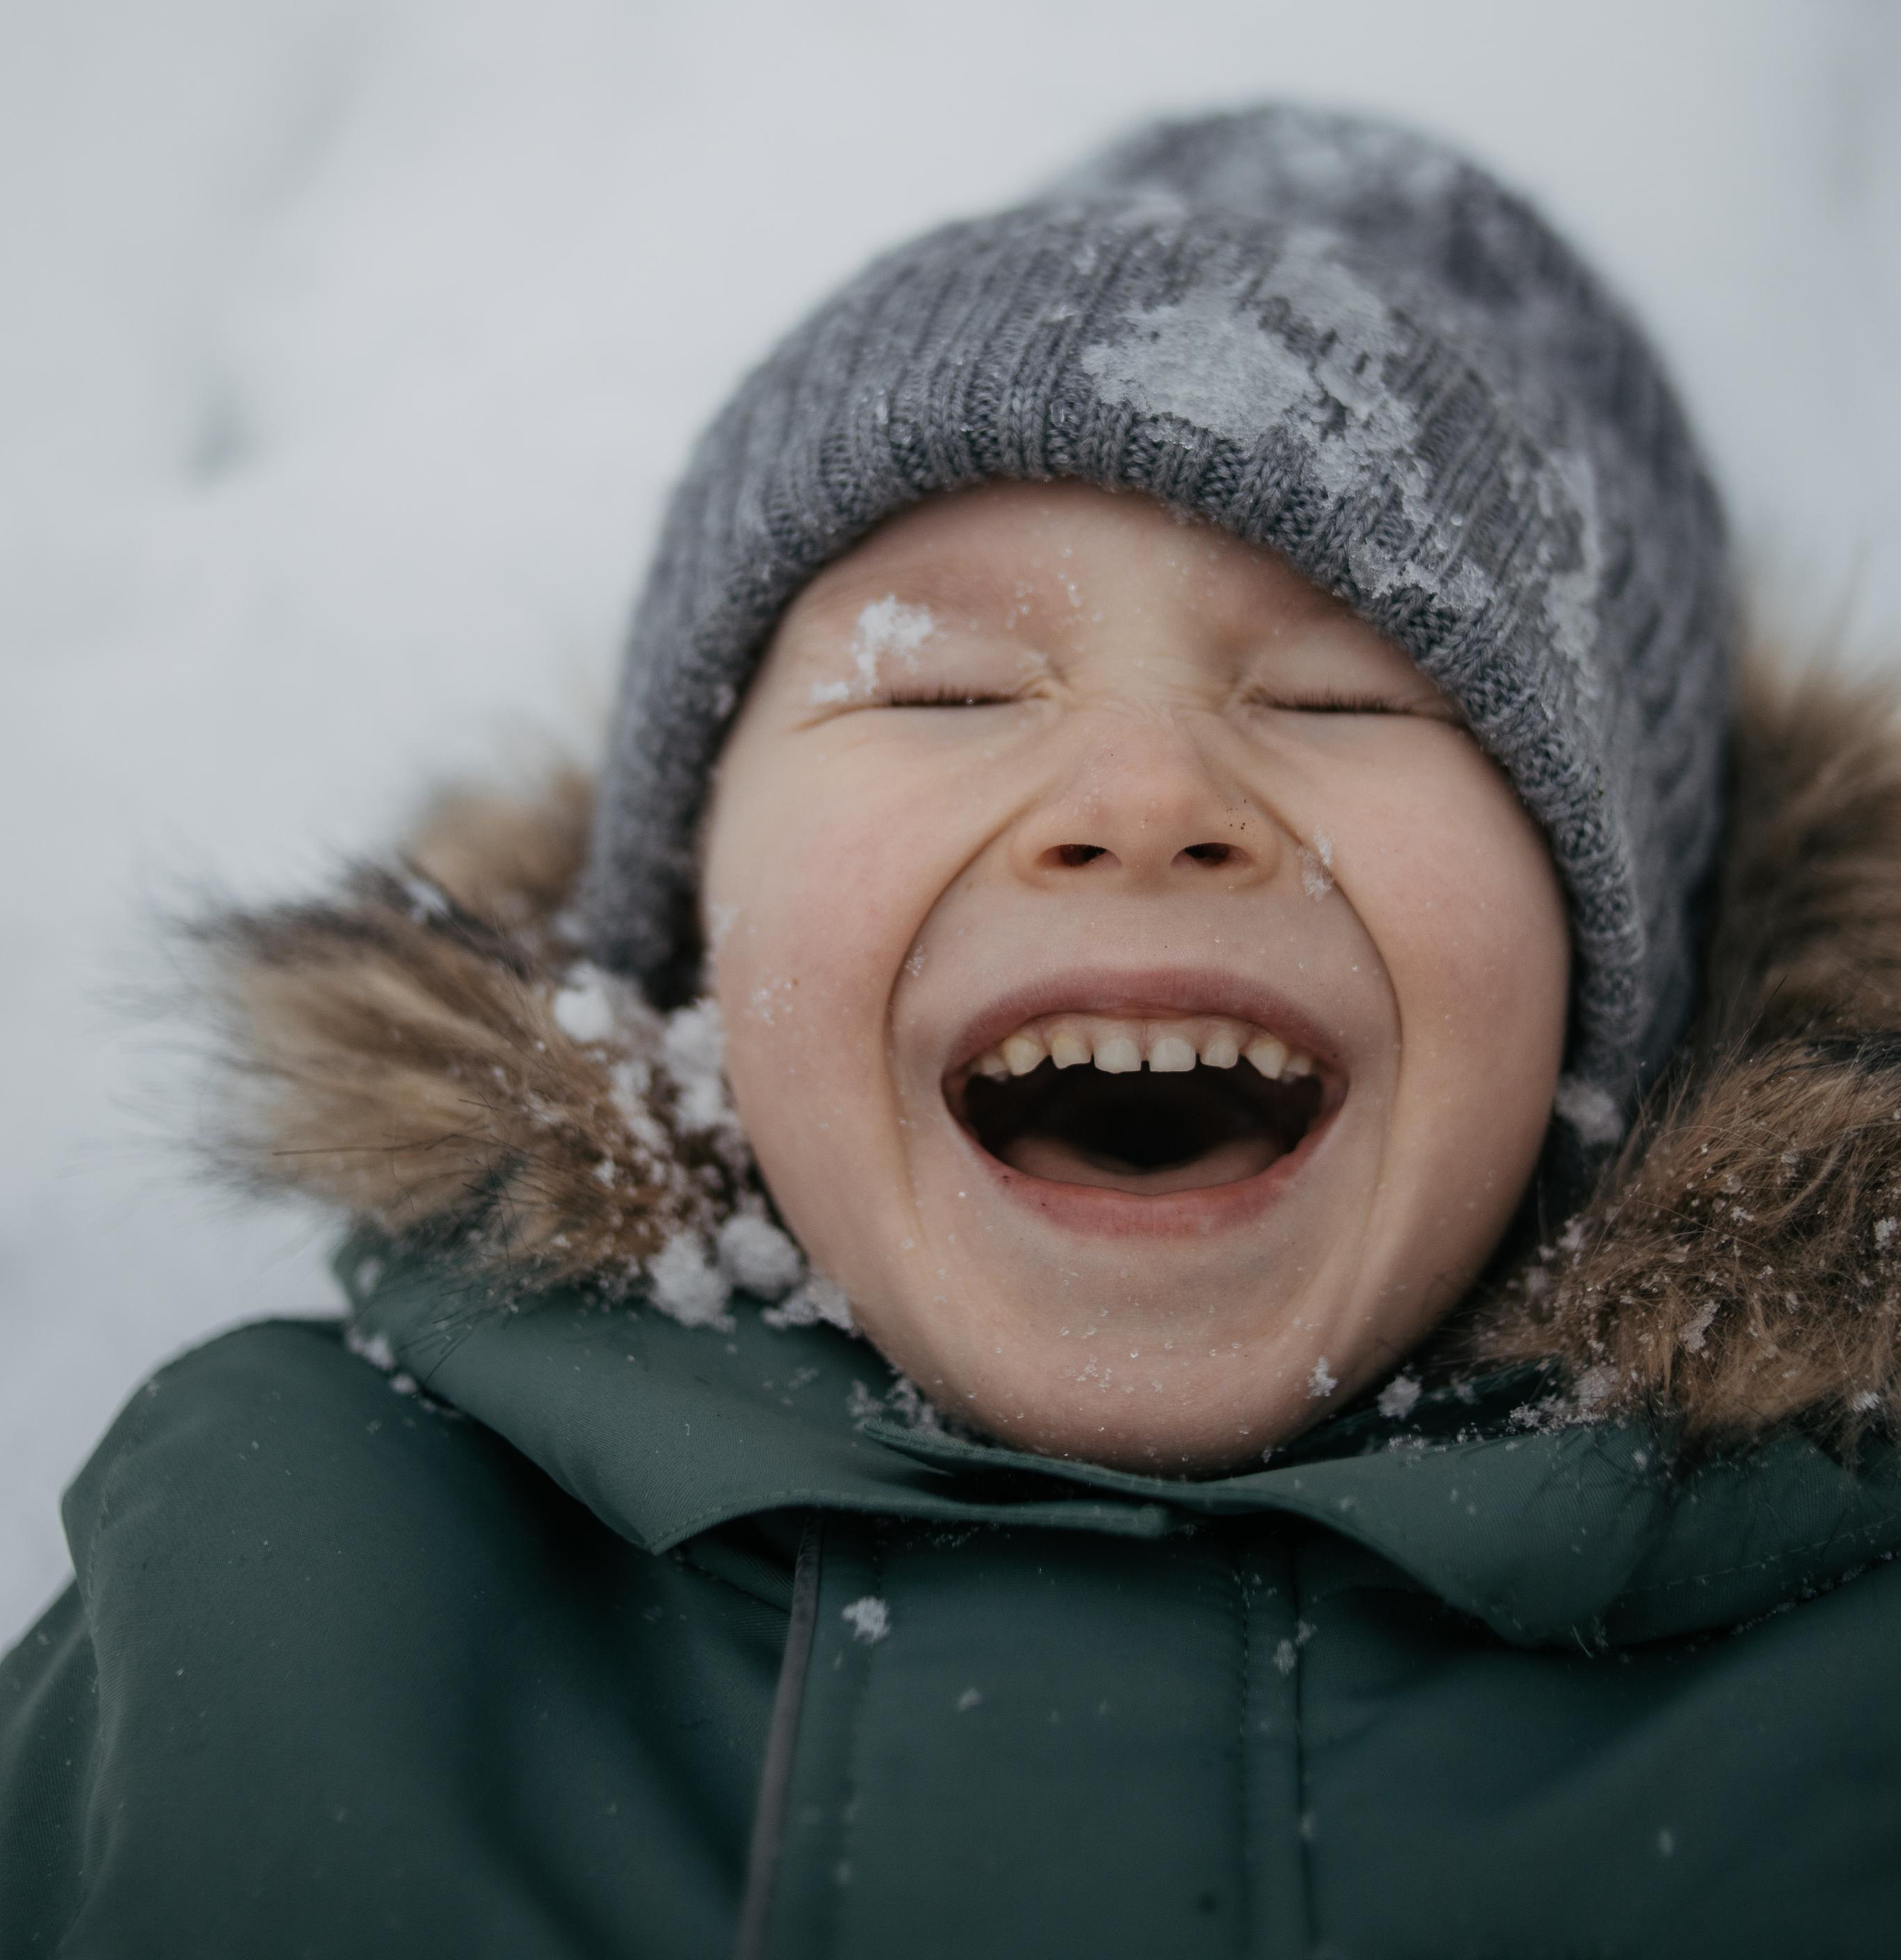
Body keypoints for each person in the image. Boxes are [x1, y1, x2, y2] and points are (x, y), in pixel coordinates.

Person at [4, 102, 1900, 1959]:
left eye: (1343, 697)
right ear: (680, 916)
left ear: (1613, 974)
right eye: (950, 686)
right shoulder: (265, 1578)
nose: (1146, 792)